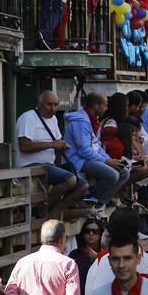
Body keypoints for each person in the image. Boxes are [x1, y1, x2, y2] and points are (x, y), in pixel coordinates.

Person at [15, 90, 89, 218]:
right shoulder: (28, 117)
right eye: (49, 104)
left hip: (49, 164)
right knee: (70, 180)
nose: (53, 108)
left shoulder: (54, 119)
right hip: (30, 165)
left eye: (56, 105)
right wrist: (51, 144)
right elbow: (24, 146)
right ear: (39, 104)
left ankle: (55, 213)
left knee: (83, 185)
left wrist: (62, 145)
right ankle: (40, 210)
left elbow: (57, 141)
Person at [64, 92, 130, 203]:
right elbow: (84, 151)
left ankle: (99, 201)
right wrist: (106, 160)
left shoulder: (93, 120)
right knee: (113, 175)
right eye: (105, 105)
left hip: (90, 158)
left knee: (124, 172)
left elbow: (97, 145)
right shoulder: (81, 122)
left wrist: (108, 159)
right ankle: (95, 201)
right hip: (78, 160)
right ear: (96, 105)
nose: (106, 108)